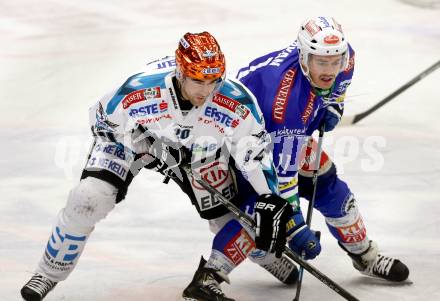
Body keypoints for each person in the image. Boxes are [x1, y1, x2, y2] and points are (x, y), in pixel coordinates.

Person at [20, 32, 302, 301]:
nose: (207, 90)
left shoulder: (235, 100)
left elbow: (254, 154)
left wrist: (270, 196)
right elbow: (100, 120)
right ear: (180, 72)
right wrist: (139, 139)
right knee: (88, 197)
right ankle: (48, 273)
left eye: (214, 80)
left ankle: (261, 253)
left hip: (196, 149)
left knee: (231, 214)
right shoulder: (140, 89)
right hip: (134, 145)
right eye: (197, 81)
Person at [235, 16, 410, 282]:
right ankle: (268, 255)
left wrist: (334, 106)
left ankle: (365, 255)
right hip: (243, 147)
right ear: (304, 57)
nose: (330, 69)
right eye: (321, 62)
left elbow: (337, 86)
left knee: (331, 189)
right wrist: (295, 226)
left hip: (289, 135)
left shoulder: (345, 57)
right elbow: (284, 178)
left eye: (333, 62)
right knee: (256, 216)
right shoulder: (286, 102)